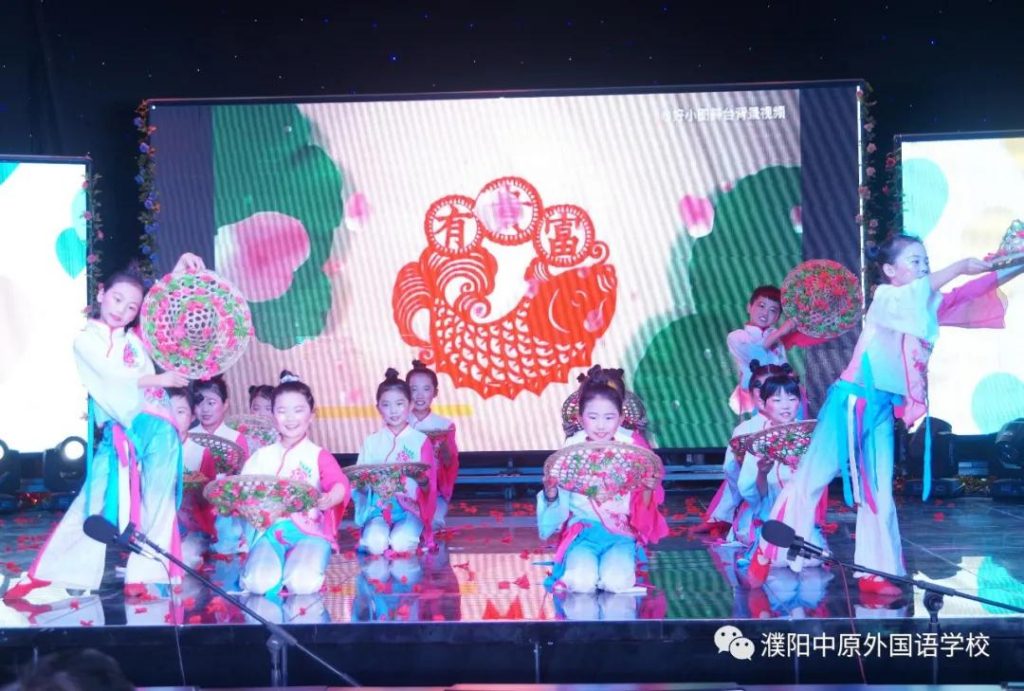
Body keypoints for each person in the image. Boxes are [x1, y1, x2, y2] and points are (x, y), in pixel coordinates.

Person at [747, 234, 1021, 594]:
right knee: (811, 479)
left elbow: (968, 292)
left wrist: (1014, 263)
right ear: (890, 270)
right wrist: (959, 266)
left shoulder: (923, 303)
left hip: (880, 408)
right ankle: (767, 549)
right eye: (914, 261)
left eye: (925, 261)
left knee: (878, 491)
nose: (923, 268)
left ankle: (876, 572)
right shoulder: (887, 298)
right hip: (851, 402)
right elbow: (928, 289)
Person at [4, 254, 203, 602]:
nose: (122, 310)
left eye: (132, 307)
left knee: (158, 503)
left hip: (159, 426)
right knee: (93, 503)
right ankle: (53, 572)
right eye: (117, 299)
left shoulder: (137, 338)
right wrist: (160, 379)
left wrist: (178, 272)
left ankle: (145, 577)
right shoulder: (85, 341)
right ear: (101, 294)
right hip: (121, 431)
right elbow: (112, 377)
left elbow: (160, 313)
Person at [538, 370, 668, 593]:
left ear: (620, 418)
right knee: (581, 583)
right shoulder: (571, 448)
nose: (600, 426)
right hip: (583, 533)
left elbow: (642, 506)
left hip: (620, 534)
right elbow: (559, 502)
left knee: (615, 582)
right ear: (580, 418)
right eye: (593, 417)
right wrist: (551, 493)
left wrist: (648, 488)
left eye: (609, 418)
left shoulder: (632, 449)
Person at [238, 372, 349, 597]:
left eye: (298, 410)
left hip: (310, 532)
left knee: (302, 583)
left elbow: (340, 484)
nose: (290, 418)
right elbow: (242, 493)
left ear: (312, 415)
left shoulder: (318, 455)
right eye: (282, 411)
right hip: (268, 532)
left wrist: (329, 498)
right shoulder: (260, 457)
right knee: (259, 583)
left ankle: (297, 567)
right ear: (273, 415)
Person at [735, 373, 825, 560]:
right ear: (763, 404)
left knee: (811, 561)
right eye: (777, 400)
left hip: (803, 517)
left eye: (792, 399)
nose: (786, 406)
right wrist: (762, 473)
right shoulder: (759, 442)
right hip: (774, 520)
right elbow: (753, 492)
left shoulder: (810, 436)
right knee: (775, 560)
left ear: (799, 402)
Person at [696, 361, 791, 534]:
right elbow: (733, 472)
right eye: (760, 388)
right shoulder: (744, 430)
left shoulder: (798, 428)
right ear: (752, 392)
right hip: (759, 507)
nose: (764, 393)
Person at [354, 369, 437, 555]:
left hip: (410, 510)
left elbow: (429, 486)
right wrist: (365, 483)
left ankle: (417, 533)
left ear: (410, 405)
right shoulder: (371, 441)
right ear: (378, 408)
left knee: (401, 544)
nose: (393, 411)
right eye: (386, 405)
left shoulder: (421, 441)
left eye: (399, 404)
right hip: (378, 509)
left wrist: (420, 479)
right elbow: (360, 484)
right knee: (376, 544)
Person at [192, 375, 250, 554]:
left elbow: (243, 479)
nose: (204, 409)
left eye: (211, 402)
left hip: (225, 509)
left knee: (227, 545)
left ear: (225, 405)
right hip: (193, 506)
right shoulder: (187, 436)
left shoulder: (236, 438)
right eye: (199, 402)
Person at [726, 286, 795, 416]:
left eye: (773, 310)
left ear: (777, 317)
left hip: (780, 395)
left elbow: (783, 364)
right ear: (749, 307)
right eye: (761, 306)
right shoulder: (737, 337)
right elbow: (756, 357)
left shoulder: (776, 337)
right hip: (755, 395)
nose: (765, 313)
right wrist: (780, 332)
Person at [406, 360, 458, 529]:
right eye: (414, 389)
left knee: (433, 523)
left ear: (435, 392)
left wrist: (443, 448)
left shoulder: (444, 425)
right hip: (404, 489)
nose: (420, 395)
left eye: (426, 389)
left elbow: (450, 465)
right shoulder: (399, 423)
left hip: (433, 491)